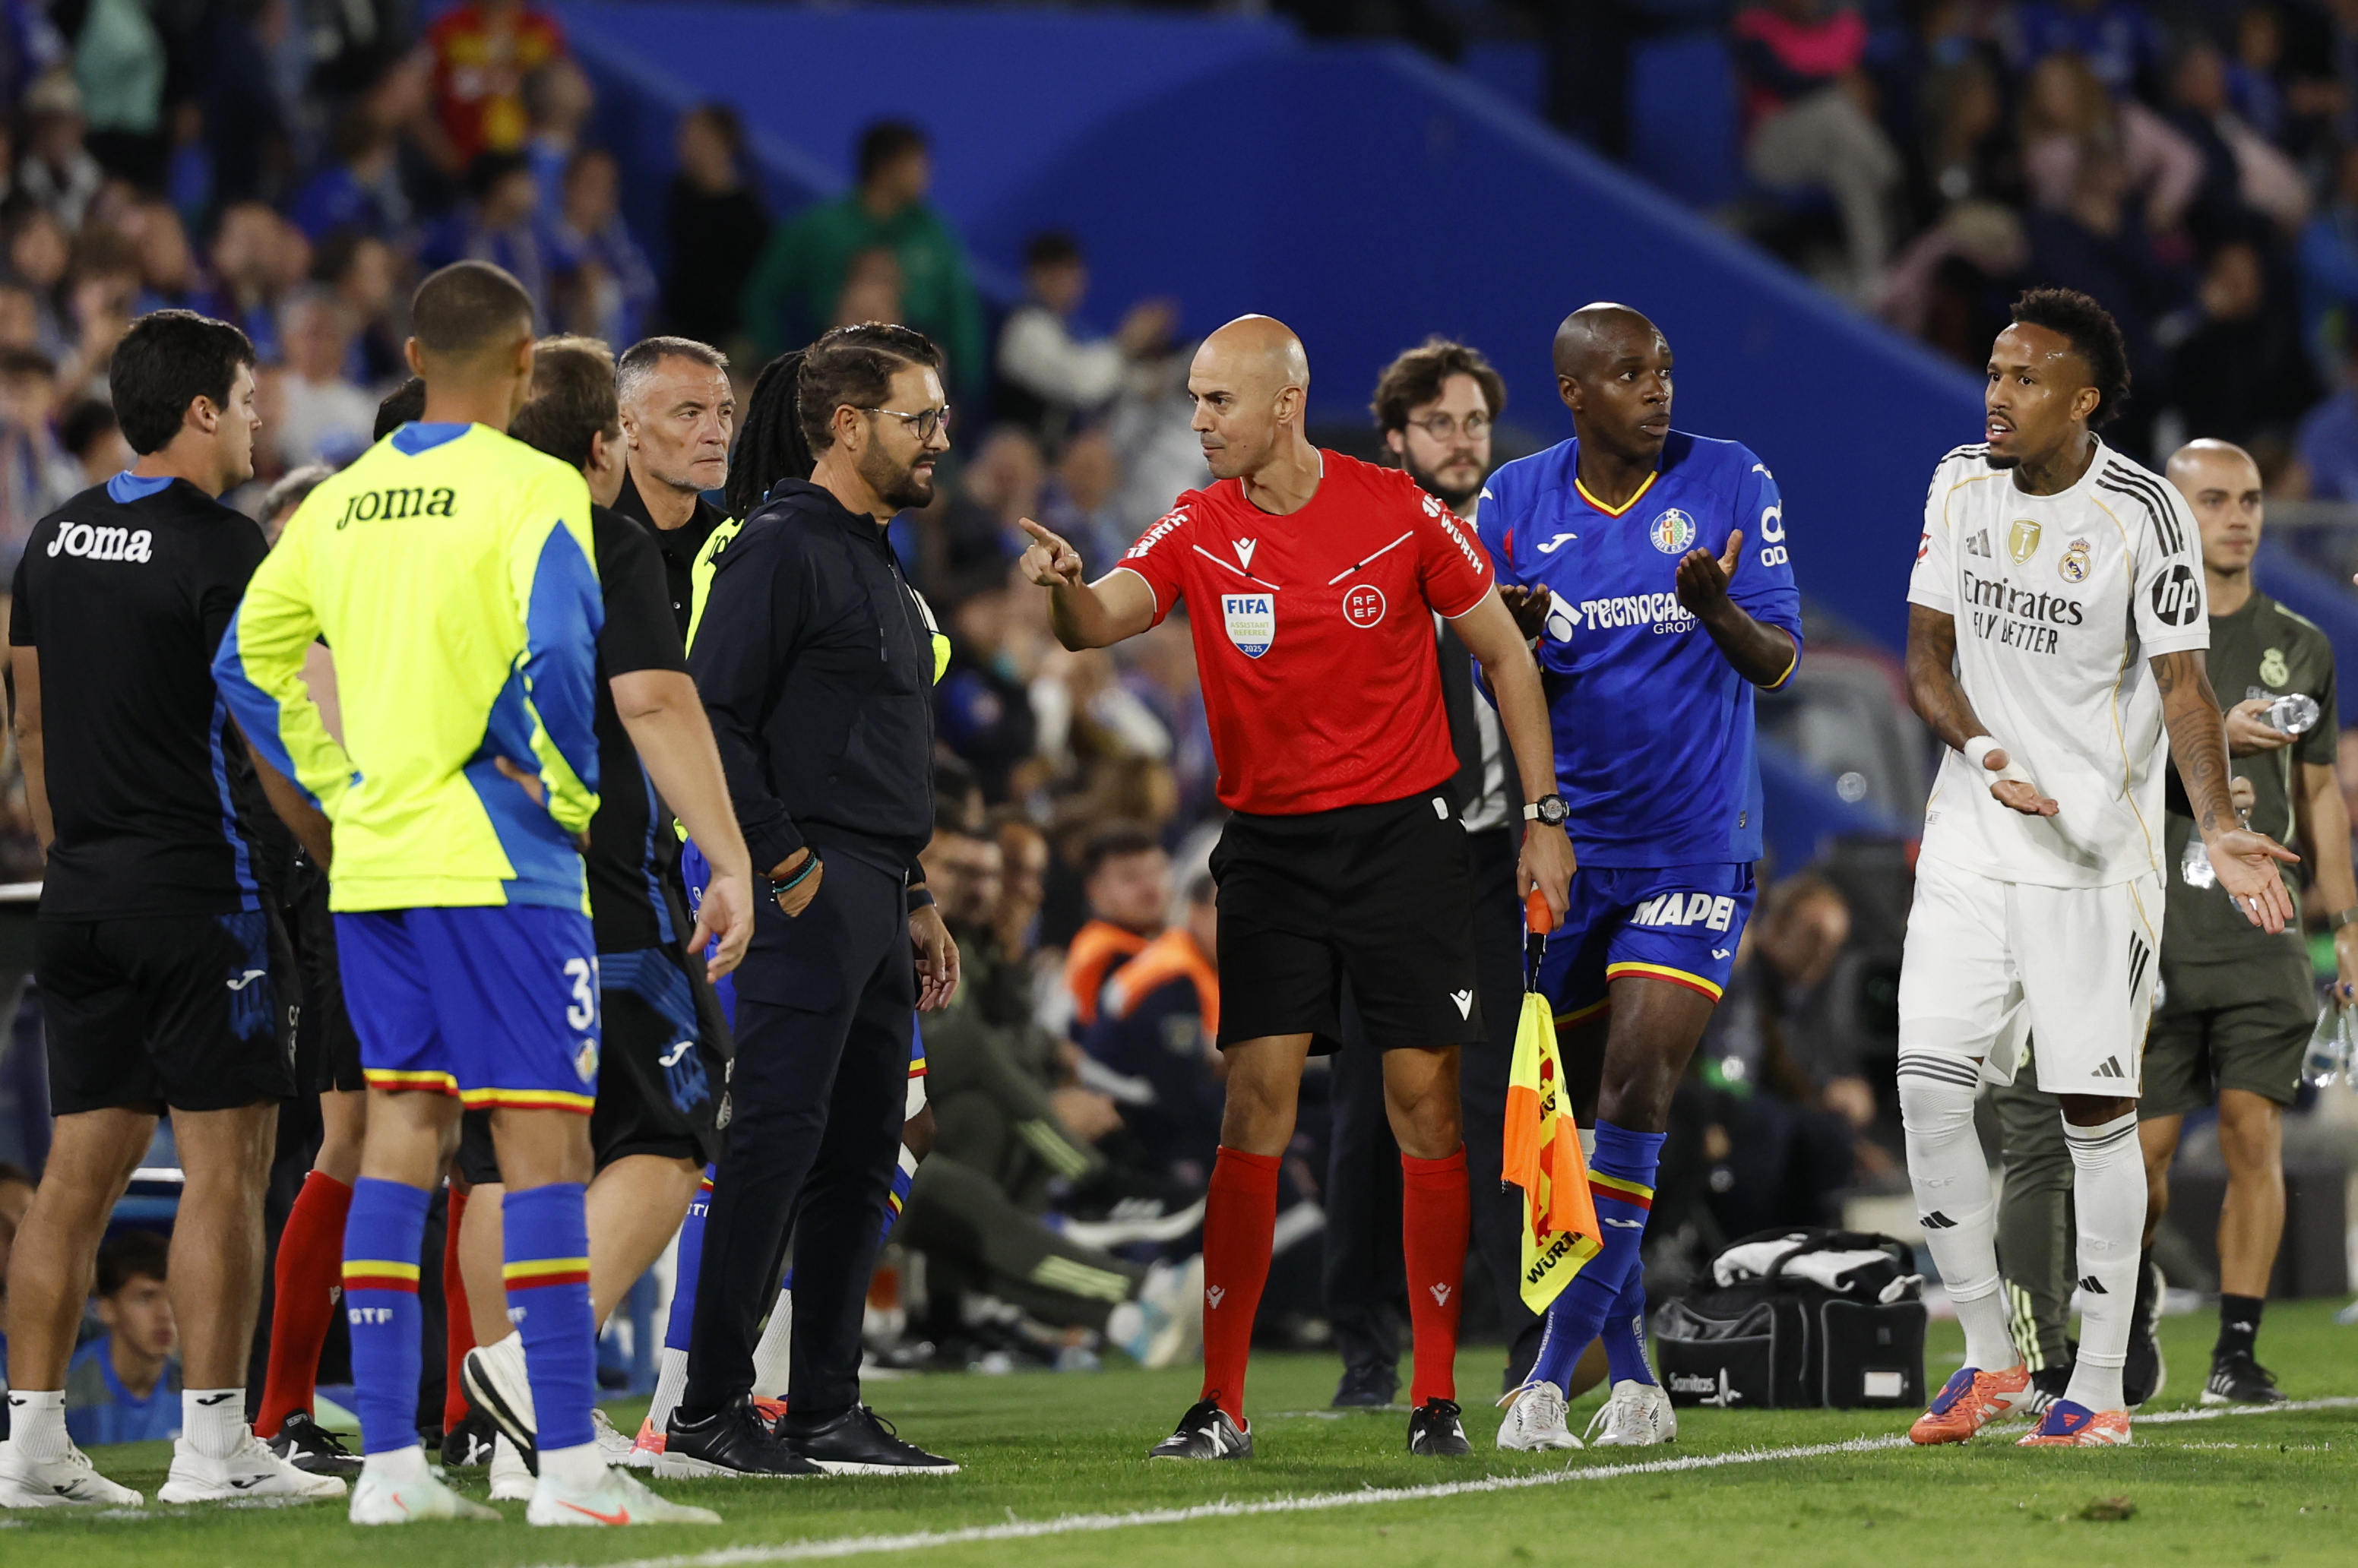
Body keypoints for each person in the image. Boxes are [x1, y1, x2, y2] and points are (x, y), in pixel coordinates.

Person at [214, 259, 742, 1527]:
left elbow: (247, 659)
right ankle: (562, 1463)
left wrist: (335, 785)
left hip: (379, 861)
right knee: (546, 1148)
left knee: (400, 1142)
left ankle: (391, 1465)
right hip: (505, 865)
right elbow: (565, 648)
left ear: (412, 349)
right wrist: (562, 788)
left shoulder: (342, 497)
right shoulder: (534, 486)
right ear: (521, 366)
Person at [1017, 313, 1576, 1461]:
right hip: (1268, 852)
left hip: (1402, 847)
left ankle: (1432, 1395)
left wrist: (1540, 817)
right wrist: (1066, 595)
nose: (1196, 421)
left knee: (1421, 1105)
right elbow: (1106, 617)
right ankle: (1219, 1403)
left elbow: (1504, 655)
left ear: (1284, 400)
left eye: (1217, 400)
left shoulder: (1395, 512)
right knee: (1254, 1106)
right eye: (1191, 399)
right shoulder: (1197, 523)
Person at [1895, 288, 2295, 1452]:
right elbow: (1924, 654)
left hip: (2089, 859)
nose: (1996, 396)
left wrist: (2213, 821)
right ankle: (1986, 1360)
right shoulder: (1955, 480)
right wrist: (1979, 751)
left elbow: (2183, 686)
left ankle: (2103, 1389)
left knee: (2090, 1118)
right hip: (1973, 833)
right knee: (1926, 1086)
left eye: (2024, 380)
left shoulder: (2143, 515)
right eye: (1991, 372)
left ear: (2083, 402)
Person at [1, 309, 334, 1510]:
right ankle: (212, 1449)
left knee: (72, 1180)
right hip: (200, 897)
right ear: (201, 410)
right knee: (224, 1172)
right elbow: (275, 737)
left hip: (78, 893)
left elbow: (28, 722)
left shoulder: (49, 538)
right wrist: (334, 858)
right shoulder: (226, 552)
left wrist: (78, 848)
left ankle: (29, 1451)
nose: (256, 422)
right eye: (246, 401)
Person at [1477, 304, 1804, 1452]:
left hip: (1693, 843)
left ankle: (1544, 1382)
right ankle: (1636, 1377)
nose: (1654, 389)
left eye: (1661, 368)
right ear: (1571, 392)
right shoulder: (1513, 501)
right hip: (1567, 847)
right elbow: (1485, 674)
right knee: (1563, 1128)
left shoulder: (1726, 479)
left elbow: (1774, 659)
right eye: (1626, 374)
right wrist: (1504, 640)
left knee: (1632, 1092)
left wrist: (1714, 609)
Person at [450, 335, 752, 1497]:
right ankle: (538, 1374)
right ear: (602, 443)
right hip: (601, 888)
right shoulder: (601, 536)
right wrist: (722, 854)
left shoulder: (451, 537)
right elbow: (653, 700)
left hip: (453, 879)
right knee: (672, 1136)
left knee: (505, 1155)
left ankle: (499, 1419)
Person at [662, 322, 962, 1480]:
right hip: (809, 889)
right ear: (846, 428)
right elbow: (710, 718)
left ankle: (824, 1404)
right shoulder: (779, 547)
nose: (939, 439)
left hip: (876, 892)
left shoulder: (873, 552)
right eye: (917, 419)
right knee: (772, 1146)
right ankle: (705, 1410)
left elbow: (865, 746)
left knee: (855, 1155)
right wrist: (782, 862)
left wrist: (917, 893)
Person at [1320, 337, 1544, 1408]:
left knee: (1503, 1095)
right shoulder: (1362, 534)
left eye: (1475, 425)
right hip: (1390, 857)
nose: (1462, 443)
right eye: (1441, 424)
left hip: (1491, 859)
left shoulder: (1511, 536)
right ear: (1396, 435)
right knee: (1367, 1107)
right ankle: (1366, 1350)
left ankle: (1523, 1341)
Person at [2144, 439, 2349, 1404]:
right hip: (2151, 930)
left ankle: (2234, 1350)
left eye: (2253, 500)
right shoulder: (2132, 638)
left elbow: (2322, 804)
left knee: (2250, 1135)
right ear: (2173, 515)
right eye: (2216, 499)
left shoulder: (2300, 643)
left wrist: (2345, 927)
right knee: (2137, 1151)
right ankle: (2126, 1318)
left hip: (2261, 934)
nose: (2240, 517)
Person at [739, 121, 984, 394]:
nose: (927, 172)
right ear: (884, 166)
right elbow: (763, 293)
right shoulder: (821, 228)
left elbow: (962, 316)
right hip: (829, 361)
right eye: (916, 162)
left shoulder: (935, 235)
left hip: (914, 367)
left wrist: (965, 392)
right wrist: (775, 360)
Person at [995, 231, 1174, 453]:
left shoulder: (1063, 331)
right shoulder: (1026, 329)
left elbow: (1109, 377)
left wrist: (1147, 383)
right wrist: (1128, 342)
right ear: (1032, 276)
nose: (1067, 284)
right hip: (1010, 456)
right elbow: (1081, 384)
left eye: (1072, 273)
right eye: (1056, 275)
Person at [612, 336, 733, 633]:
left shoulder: (738, 545)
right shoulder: (587, 541)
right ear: (628, 426)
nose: (716, 435)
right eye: (690, 414)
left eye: (725, 413)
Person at [663, 104, 770, 349]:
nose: (684, 148)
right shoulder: (679, 191)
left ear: (723, 144)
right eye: (684, 138)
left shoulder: (749, 218)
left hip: (720, 340)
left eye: (695, 139)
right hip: (674, 324)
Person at [63, 1231, 179, 1447]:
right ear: (107, 1309)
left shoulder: (200, 1383)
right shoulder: (67, 1392)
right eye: (146, 1298)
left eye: (175, 1298)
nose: (165, 1314)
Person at [1063, 824, 1170, 1033]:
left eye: (1156, 871)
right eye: (1130, 877)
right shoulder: (1103, 958)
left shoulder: (1166, 943)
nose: (1150, 887)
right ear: (1095, 890)